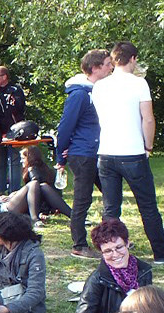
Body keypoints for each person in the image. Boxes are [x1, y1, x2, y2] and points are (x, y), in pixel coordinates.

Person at [89, 41, 164, 264]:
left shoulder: (100, 86)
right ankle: (161, 252)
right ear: (133, 59)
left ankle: (108, 253)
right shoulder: (139, 83)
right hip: (133, 152)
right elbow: (148, 118)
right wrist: (148, 146)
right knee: (147, 205)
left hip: (106, 153)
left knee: (111, 208)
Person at [56, 49, 114, 258]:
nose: (111, 67)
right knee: (83, 199)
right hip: (83, 154)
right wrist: (60, 157)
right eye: (107, 64)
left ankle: (112, 239)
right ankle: (79, 245)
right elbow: (65, 126)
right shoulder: (80, 94)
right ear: (95, 68)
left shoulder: (99, 91)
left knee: (111, 194)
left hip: (101, 152)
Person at [74, 218, 152, 313]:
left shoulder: (144, 271)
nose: (115, 255)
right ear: (102, 253)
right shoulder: (97, 280)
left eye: (119, 247)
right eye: (108, 251)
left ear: (128, 243)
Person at [16, 146, 72, 227]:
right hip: (50, 205)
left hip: (37, 205)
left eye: (23, 158)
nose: (21, 161)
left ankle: (35, 219)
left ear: (30, 158)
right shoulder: (46, 168)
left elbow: (34, 190)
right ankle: (74, 215)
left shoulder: (32, 170)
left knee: (39, 186)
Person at [0, 65, 26, 193]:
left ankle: (14, 190)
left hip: (13, 131)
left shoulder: (15, 90)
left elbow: (18, 108)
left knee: (14, 162)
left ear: (4, 77)